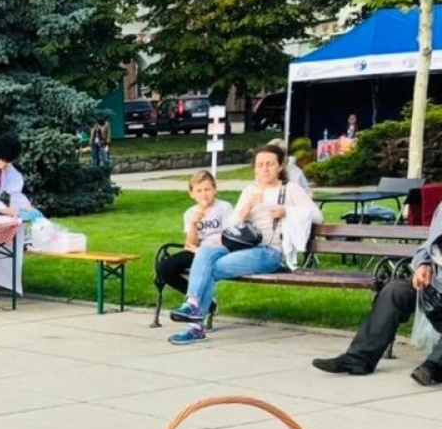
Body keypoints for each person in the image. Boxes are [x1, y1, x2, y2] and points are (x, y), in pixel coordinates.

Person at [169, 143, 322, 345]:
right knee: (204, 252)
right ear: (254, 168)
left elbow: (318, 216)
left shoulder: (290, 189)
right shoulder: (250, 190)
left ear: (280, 166)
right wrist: (248, 205)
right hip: (242, 245)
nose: (264, 169)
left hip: (268, 252)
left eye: (269, 164)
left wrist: (287, 211)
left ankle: (195, 325)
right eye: (260, 165)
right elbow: (231, 224)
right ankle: (193, 304)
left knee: (210, 267)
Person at [312, 202, 442, 385]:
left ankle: (433, 366)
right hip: (436, 288)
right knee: (395, 291)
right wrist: (424, 264)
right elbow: (428, 246)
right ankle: (358, 359)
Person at [155, 170, 231, 322]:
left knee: (204, 263)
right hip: (197, 250)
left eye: (207, 189)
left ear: (215, 189)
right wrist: (194, 224)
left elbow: (229, 237)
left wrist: (202, 250)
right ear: (192, 194)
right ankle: (206, 302)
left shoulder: (224, 208)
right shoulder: (190, 213)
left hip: (220, 251)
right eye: (199, 191)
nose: (204, 194)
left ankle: (197, 303)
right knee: (164, 268)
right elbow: (190, 243)